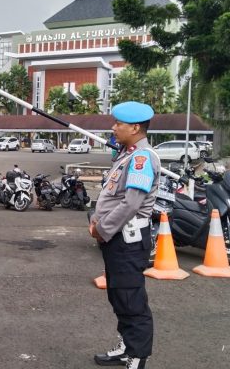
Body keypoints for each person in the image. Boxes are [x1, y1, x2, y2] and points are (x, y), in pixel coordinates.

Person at [89, 101, 160, 369]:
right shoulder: (127, 154)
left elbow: (131, 203)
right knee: (119, 295)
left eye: (118, 124)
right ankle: (126, 346)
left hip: (127, 240)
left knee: (131, 298)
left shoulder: (142, 159)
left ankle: (138, 356)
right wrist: (97, 220)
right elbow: (112, 195)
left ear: (135, 127)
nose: (113, 127)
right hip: (117, 239)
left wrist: (101, 229)